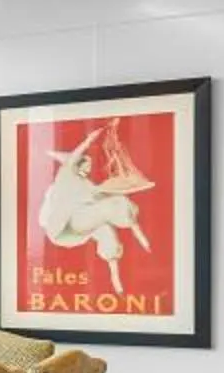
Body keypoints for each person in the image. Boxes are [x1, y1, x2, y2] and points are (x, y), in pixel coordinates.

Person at [36, 126, 155, 296]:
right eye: (86, 165)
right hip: (69, 221)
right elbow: (72, 159)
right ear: (77, 166)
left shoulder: (89, 185)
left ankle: (115, 276)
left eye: (90, 166)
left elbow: (102, 196)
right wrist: (88, 141)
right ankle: (142, 239)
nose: (89, 169)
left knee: (107, 230)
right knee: (116, 204)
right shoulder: (67, 176)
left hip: (79, 226)